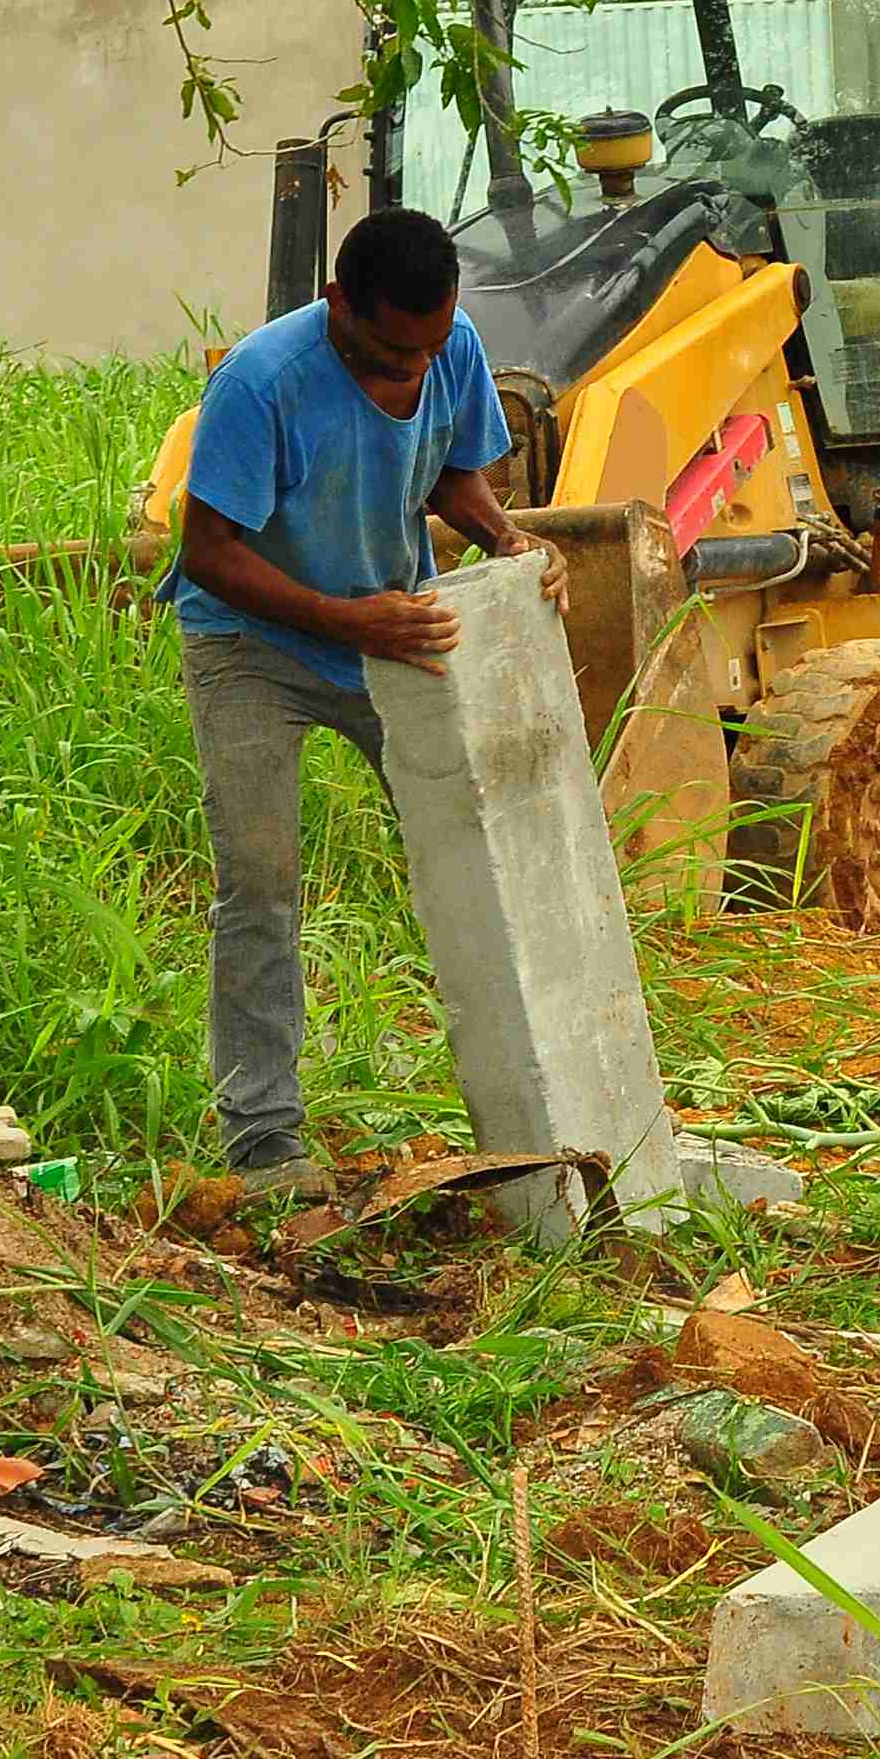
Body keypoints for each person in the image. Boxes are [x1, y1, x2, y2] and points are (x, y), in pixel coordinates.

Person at [171, 207, 558, 1190]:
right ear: (338, 304)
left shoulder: (447, 345)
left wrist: (506, 541)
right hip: (253, 646)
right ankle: (265, 1144)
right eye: (393, 352)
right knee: (258, 886)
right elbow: (207, 556)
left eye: (431, 349)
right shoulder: (261, 382)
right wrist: (353, 624)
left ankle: (544, 1114)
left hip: (393, 629)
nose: (414, 372)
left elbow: (451, 474)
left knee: (489, 850)